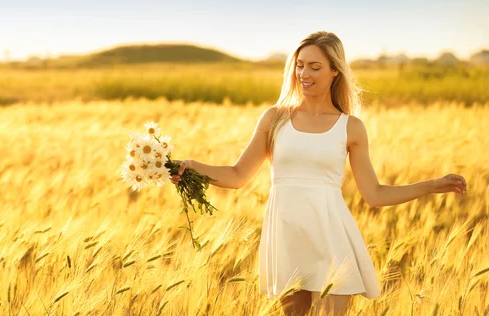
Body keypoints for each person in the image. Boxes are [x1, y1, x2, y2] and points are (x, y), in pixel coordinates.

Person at [171, 31, 467, 316]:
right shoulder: (275, 119)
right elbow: (236, 176)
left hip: (331, 238)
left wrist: (431, 185)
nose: (304, 74)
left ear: (335, 71)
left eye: (315, 67)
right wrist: (191, 166)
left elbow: (374, 195)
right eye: (299, 66)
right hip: (287, 239)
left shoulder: (350, 127)